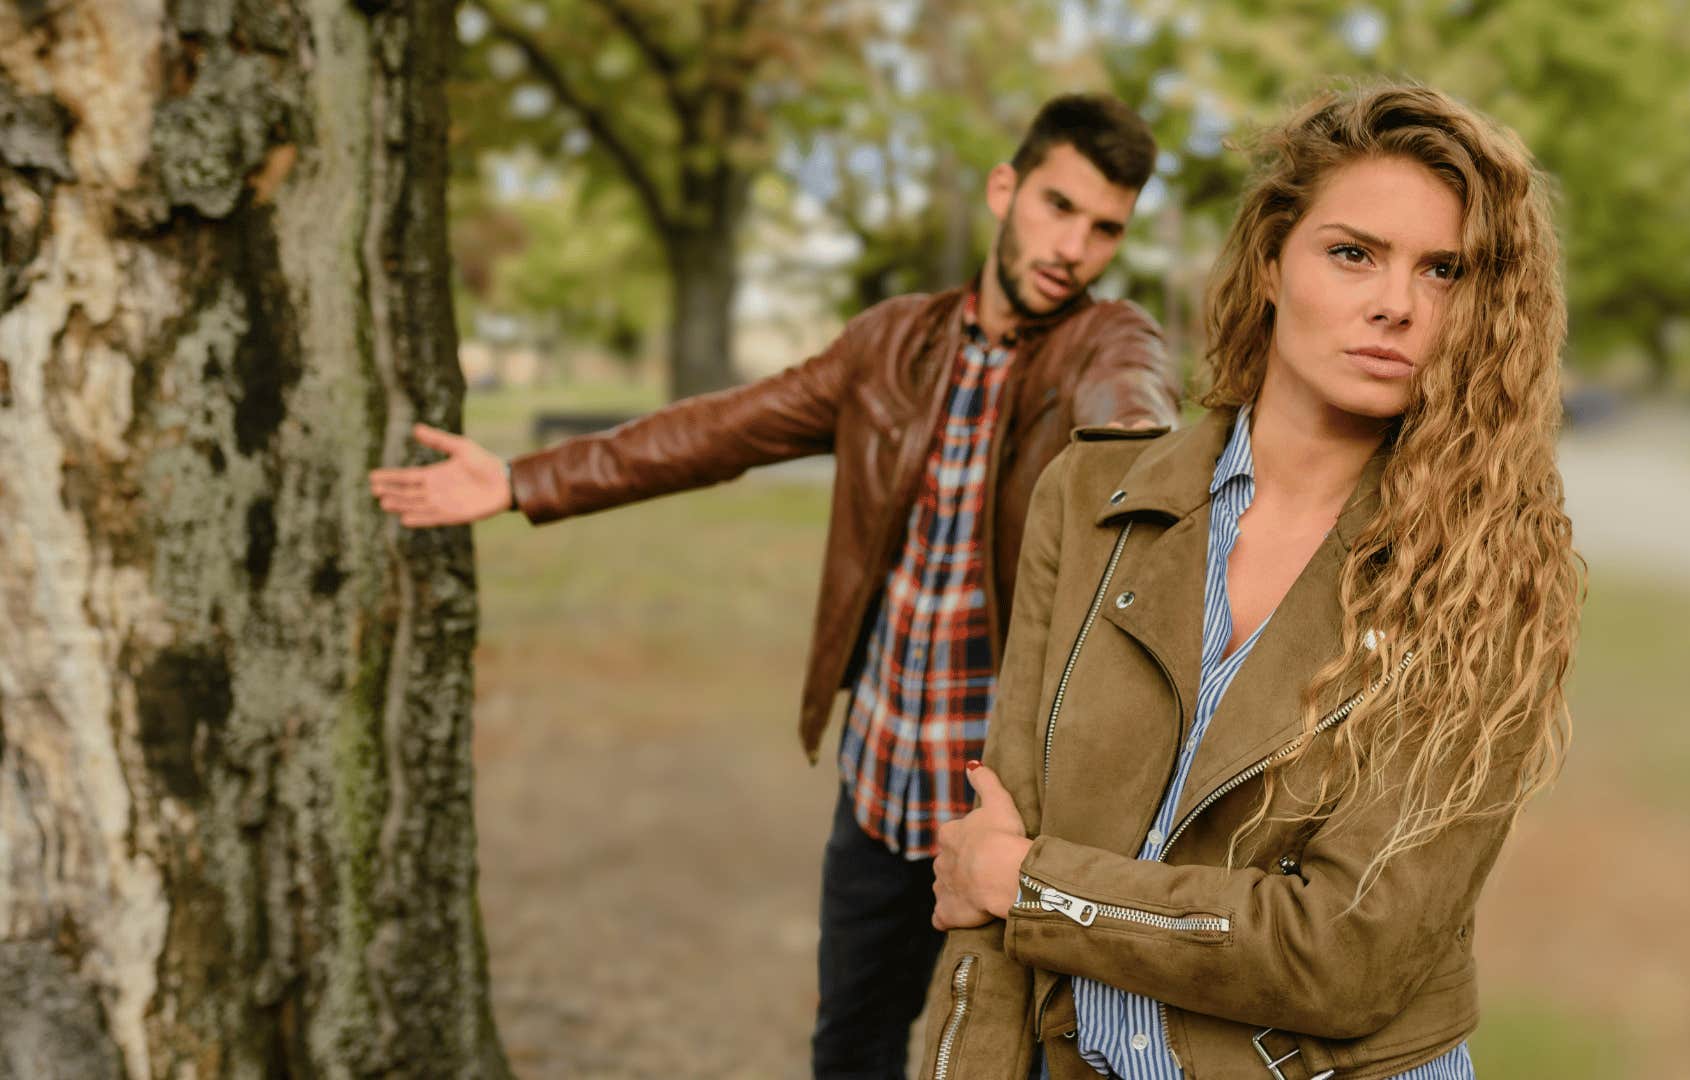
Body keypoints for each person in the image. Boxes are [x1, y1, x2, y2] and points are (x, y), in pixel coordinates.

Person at [368, 94, 1179, 1078]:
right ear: (1005, 189)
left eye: (1105, 230)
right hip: (881, 791)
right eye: (1059, 207)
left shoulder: (1107, 344)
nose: (1074, 248)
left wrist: (1140, 462)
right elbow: (721, 431)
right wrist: (520, 481)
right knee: (851, 1048)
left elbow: (1131, 426)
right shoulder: (888, 343)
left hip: (1015, 817)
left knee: (1032, 1061)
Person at [920, 83, 1584, 1079]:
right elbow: (987, 868)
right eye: (1352, 253)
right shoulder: (1089, 497)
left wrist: (1037, 889)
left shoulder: (1498, 575)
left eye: (1444, 270)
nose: (1396, 305)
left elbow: (1340, 954)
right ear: (1272, 262)